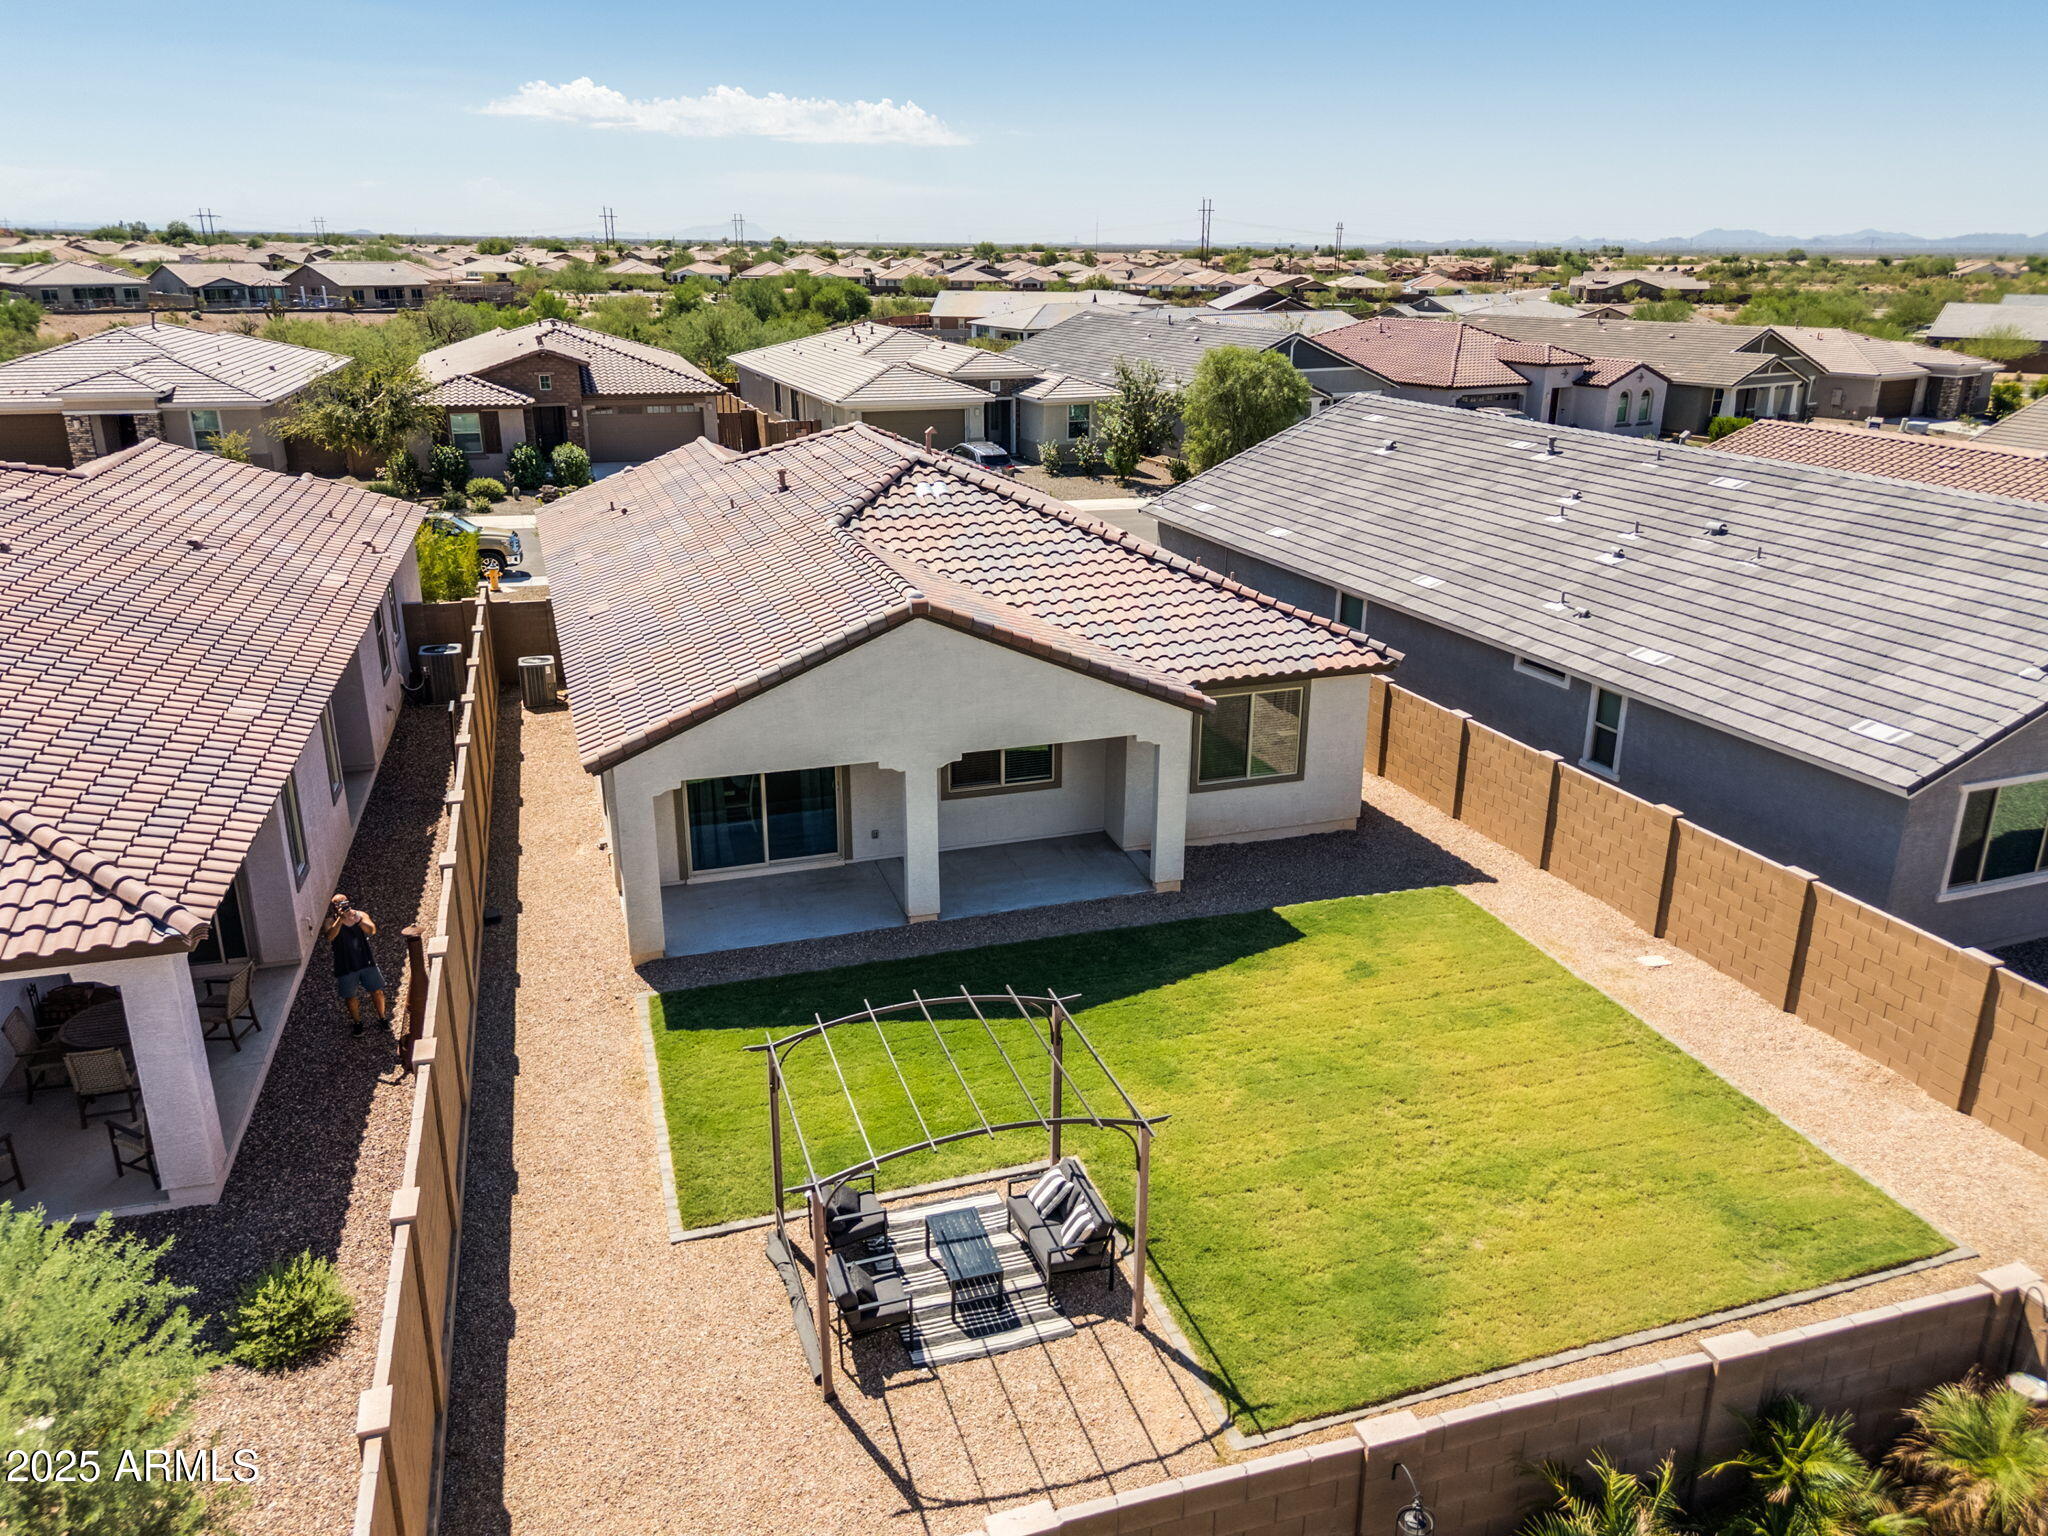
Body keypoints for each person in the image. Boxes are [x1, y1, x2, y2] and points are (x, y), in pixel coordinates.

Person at [322, 893, 389, 1037]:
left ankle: (382, 1018)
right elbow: (330, 936)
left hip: (365, 960)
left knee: (377, 991)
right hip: (345, 964)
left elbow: (372, 930)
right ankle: (357, 1023)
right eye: (339, 904)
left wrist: (357, 920)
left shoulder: (360, 915)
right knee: (350, 996)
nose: (343, 906)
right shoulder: (330, 921)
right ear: (333, 907)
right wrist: (340, 920)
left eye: (345, 902)